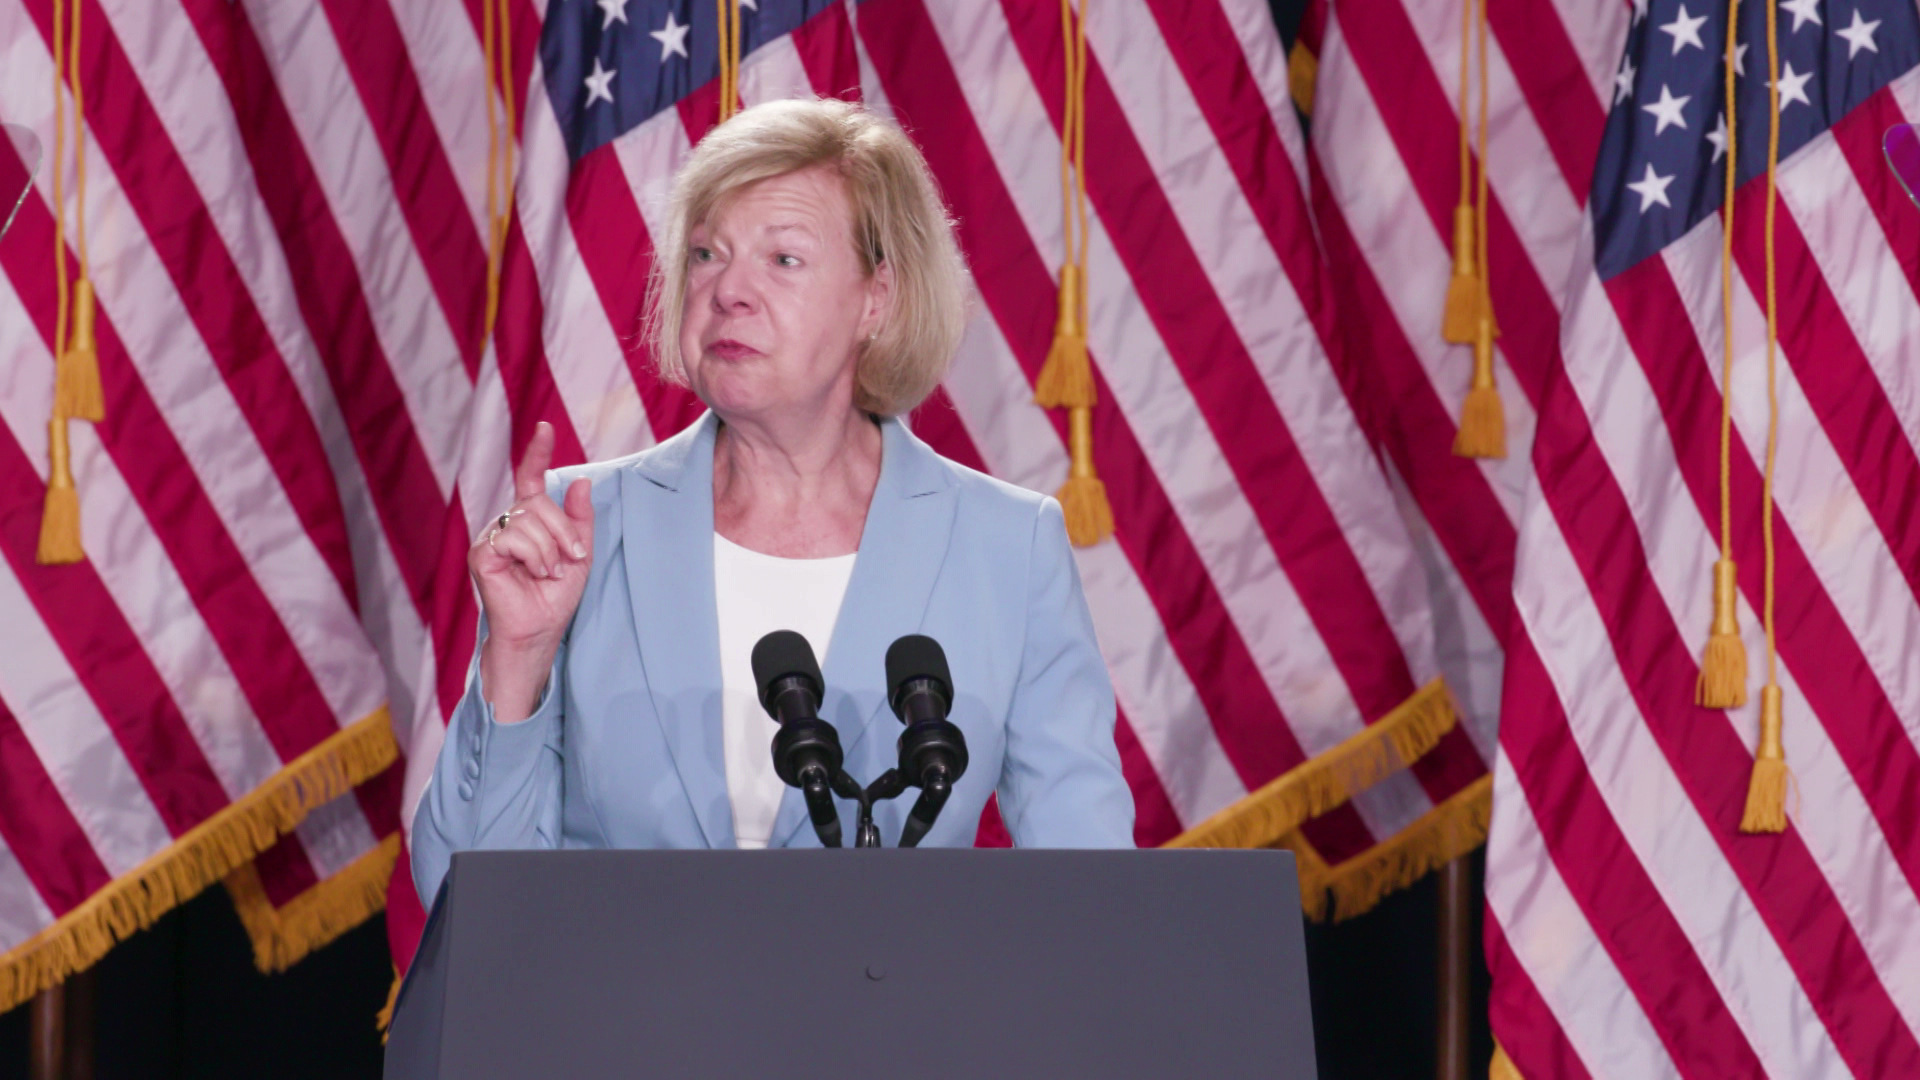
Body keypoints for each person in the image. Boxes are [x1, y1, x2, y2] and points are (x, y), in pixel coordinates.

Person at [412, 98, 1133, 903]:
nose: (729, 292)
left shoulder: (1008, 548)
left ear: (878, 298)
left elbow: (1088, 894)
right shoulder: (578, 531)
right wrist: (516, 662)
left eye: (783, 260)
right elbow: (462, 896)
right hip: (625, 1026)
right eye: (708, 254)